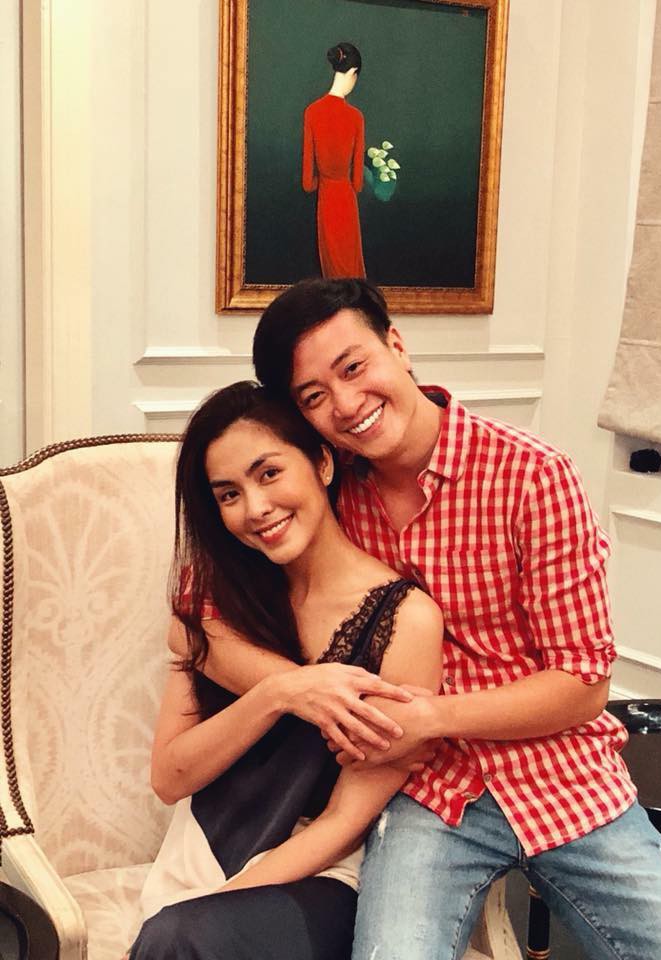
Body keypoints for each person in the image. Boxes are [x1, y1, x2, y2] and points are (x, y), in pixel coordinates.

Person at [197, 276, 661, 960]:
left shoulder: (533, 476)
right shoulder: (321, 487)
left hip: (565, 777)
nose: (347, 405)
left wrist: (429, 718)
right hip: (424, 792)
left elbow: (583, 683)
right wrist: (298, 689)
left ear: (396, 345)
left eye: (353, 368)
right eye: (314, 397)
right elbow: (198, 621)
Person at [127, 380, 443, 960]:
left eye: (269, 473)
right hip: (202, 851)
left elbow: (345, 819)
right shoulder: (216, 601)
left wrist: (213, 908)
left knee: (182, 938)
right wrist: (279, 692)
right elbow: (170, 777)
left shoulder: (407, 620)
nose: (255, 509)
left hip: (323, 875)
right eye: (228, 494)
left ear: (321, 462)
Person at [303, 43, 366, 278]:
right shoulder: (356, 118)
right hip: (346, 202)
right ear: (353, 73)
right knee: (351, 272)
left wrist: (323, 181)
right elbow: (357, 183)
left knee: (331, 274)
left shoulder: (311, 112)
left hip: (326, 201)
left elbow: (307, 183)